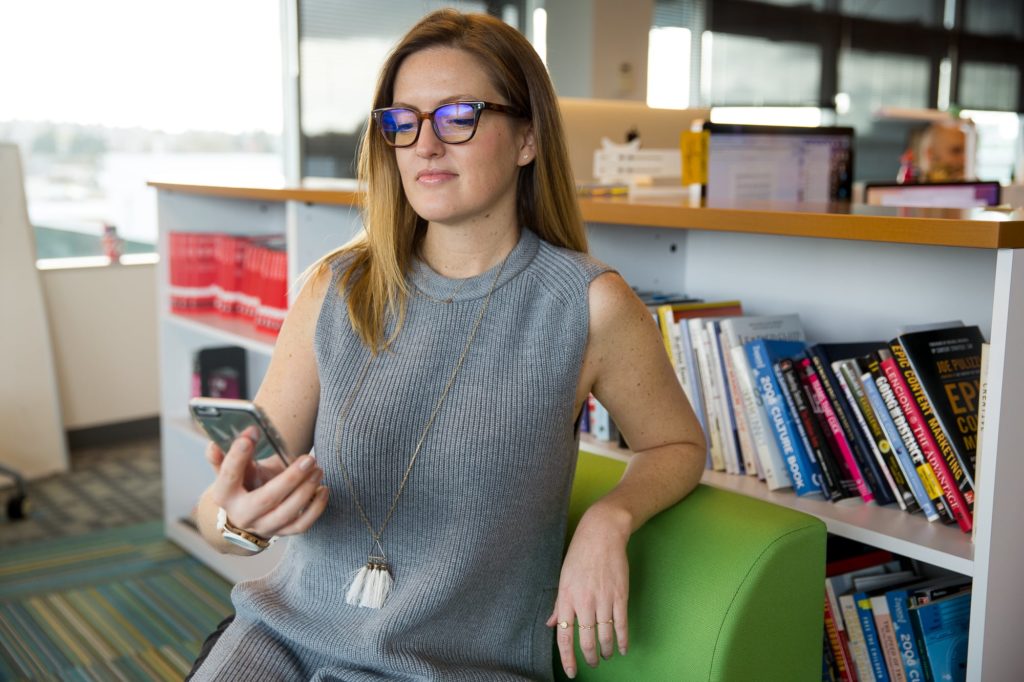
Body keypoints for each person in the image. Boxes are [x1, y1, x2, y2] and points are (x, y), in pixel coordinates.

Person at [187, 9, 705, 681]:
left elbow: (678, 445)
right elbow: (220, 511)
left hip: (448, 668)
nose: (425, 144)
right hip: (284, 637)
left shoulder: (587, 305)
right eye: (403, 122)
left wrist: (610, 518)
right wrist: (239, 518)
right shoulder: (334, 289)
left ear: (527, 138)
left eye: (458, 116)